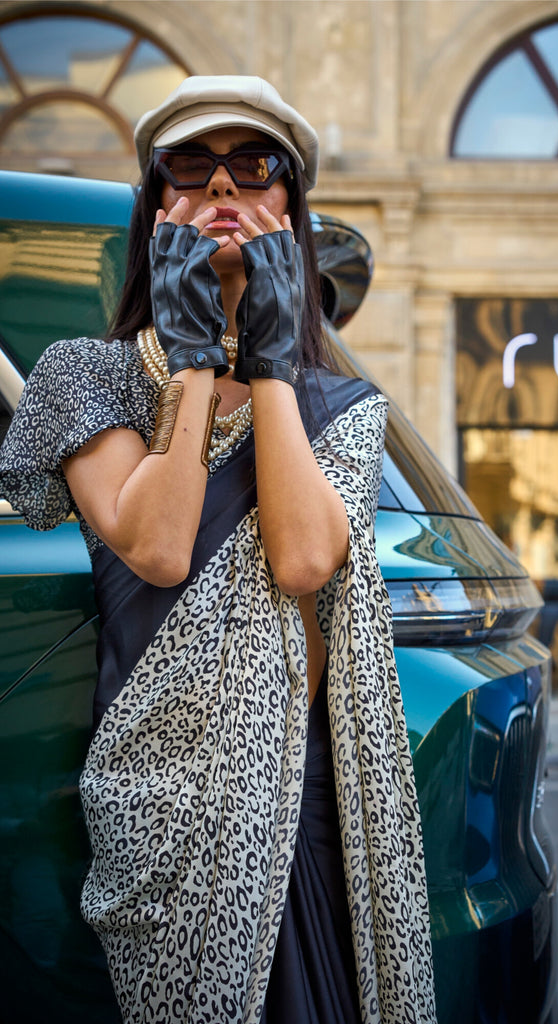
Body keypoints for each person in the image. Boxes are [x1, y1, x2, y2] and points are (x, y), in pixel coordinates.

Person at [0, 76, 437, 1024]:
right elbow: (156, 548)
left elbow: (306, 564)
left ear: (291, 209)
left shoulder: (341, 406)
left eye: (256, 167)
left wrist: (272, 363)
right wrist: (195, 359)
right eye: (190, 168)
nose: (223, 189)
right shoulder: (87, 375)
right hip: (161, 802)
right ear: (157, 206)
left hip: (293, 792)